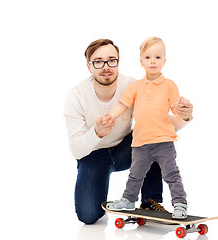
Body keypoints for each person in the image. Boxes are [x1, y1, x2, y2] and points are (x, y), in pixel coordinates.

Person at [63, 39, 193, 224]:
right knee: (88, 215)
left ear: (118, 62)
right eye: (98, 62)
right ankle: (122, 199)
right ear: (89, 66)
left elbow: (159, 122)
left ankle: (151, 201)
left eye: (111, 60)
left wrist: (186, 116)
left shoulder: (132, 85)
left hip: (127, 147)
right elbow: (76, 149)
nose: (106, 66)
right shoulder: (75, 96)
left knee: (155, 139)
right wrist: (97, 133)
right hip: (93, 155)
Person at [104, 37, 189, 219]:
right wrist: (111, 116)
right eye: (148, 57)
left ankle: (180, 204)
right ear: (141, 61)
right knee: (135, 175)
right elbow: (123, 104)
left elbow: (175, 108)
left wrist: (183, 106)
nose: (153, 61)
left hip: (164, 141)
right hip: (140, 142)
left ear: (164, 61)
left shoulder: (169, 85)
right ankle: (128, 200)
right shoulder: (136, 87)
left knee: (172, 174)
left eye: (157, 57)